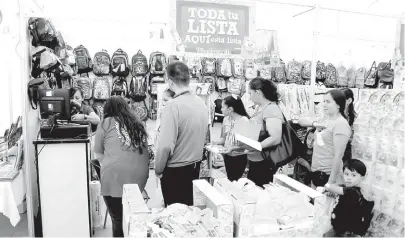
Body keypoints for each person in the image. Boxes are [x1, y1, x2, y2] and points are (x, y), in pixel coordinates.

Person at [93, 96, 149, 237]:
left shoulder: (105, 123)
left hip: (115, 176)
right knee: (134, 218)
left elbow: (98, 153)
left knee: (117, 219)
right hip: (140, 176)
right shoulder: (139, 124)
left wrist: (110, 162)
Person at [155, 61, 209, 206]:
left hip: (175, 172)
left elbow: (165, 146)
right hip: (194, 168)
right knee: (188, 213)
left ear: (170, 82)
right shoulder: (201, 104)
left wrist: (158, 169)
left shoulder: (172, 106)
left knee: (174, 218)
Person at [298, 89, 351, 187]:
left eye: (328, 102)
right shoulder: (324, 119)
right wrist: (315, 124)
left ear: (338, 105)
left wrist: (331, 182)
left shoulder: (341, 124)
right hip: (316, 172)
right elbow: (301, 121)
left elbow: (338, 156)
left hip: (328, 175)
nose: (324, 104)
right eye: (324, 101)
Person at [243, 77, 284, 187]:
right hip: (255, 160)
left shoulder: (271, 109)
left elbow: (275, 138)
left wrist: (256, 146)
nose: (249, 97)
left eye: (250, 93)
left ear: (258, 92)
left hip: (264, 163)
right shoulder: (260, 108)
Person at [323, 159, 373, 237]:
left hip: (346, 233)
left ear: (362, 178)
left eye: (353, 175)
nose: (349, 178)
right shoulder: (349, 190)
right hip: (340, 229)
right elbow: (343, 199)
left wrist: (328, 185)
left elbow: (330, 187)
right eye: (346, 174)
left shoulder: (352, 192)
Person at [212, 95, 249, 181]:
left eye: (223, 107)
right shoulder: (226, 119)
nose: (221, 109)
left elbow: (249, 145)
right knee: (229, 179)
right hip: (227, 156)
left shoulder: (245, 121)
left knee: (235, 180)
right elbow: (223, 139)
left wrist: (232, 148)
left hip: (239, 157)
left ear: (230, 109)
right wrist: (213, 143)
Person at [341, 88, 357, 162]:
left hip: (347, 152)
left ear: (349, 101)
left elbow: (356, 139)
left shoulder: (355, 118)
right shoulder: (333, 115)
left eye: (340, 100)